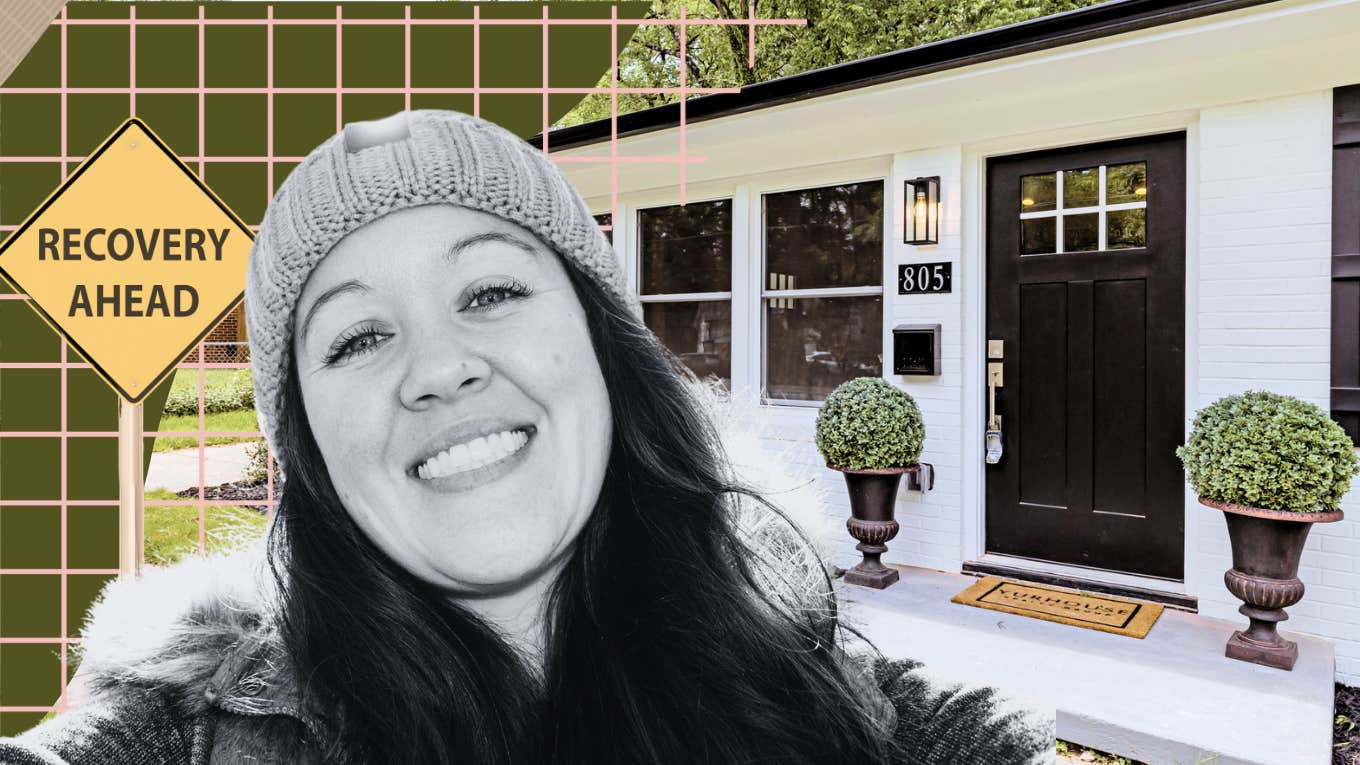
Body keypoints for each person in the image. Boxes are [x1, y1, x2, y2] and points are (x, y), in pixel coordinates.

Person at [0, 109, 1055, 765]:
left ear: (606, 355)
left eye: (492, 289)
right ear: (309, 454)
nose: (439, 365)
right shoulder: (176, 734)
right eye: (359, 335)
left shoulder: (868, 722)